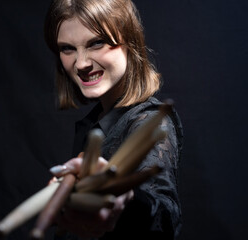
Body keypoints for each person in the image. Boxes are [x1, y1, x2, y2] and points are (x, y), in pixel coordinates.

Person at [44, 0, 183, 239]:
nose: (81, 63)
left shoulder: (149, 122)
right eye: (67, 48)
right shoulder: (95, 122)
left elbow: (163, 213)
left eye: (96, 43)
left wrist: (126, 199)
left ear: (130, 41)